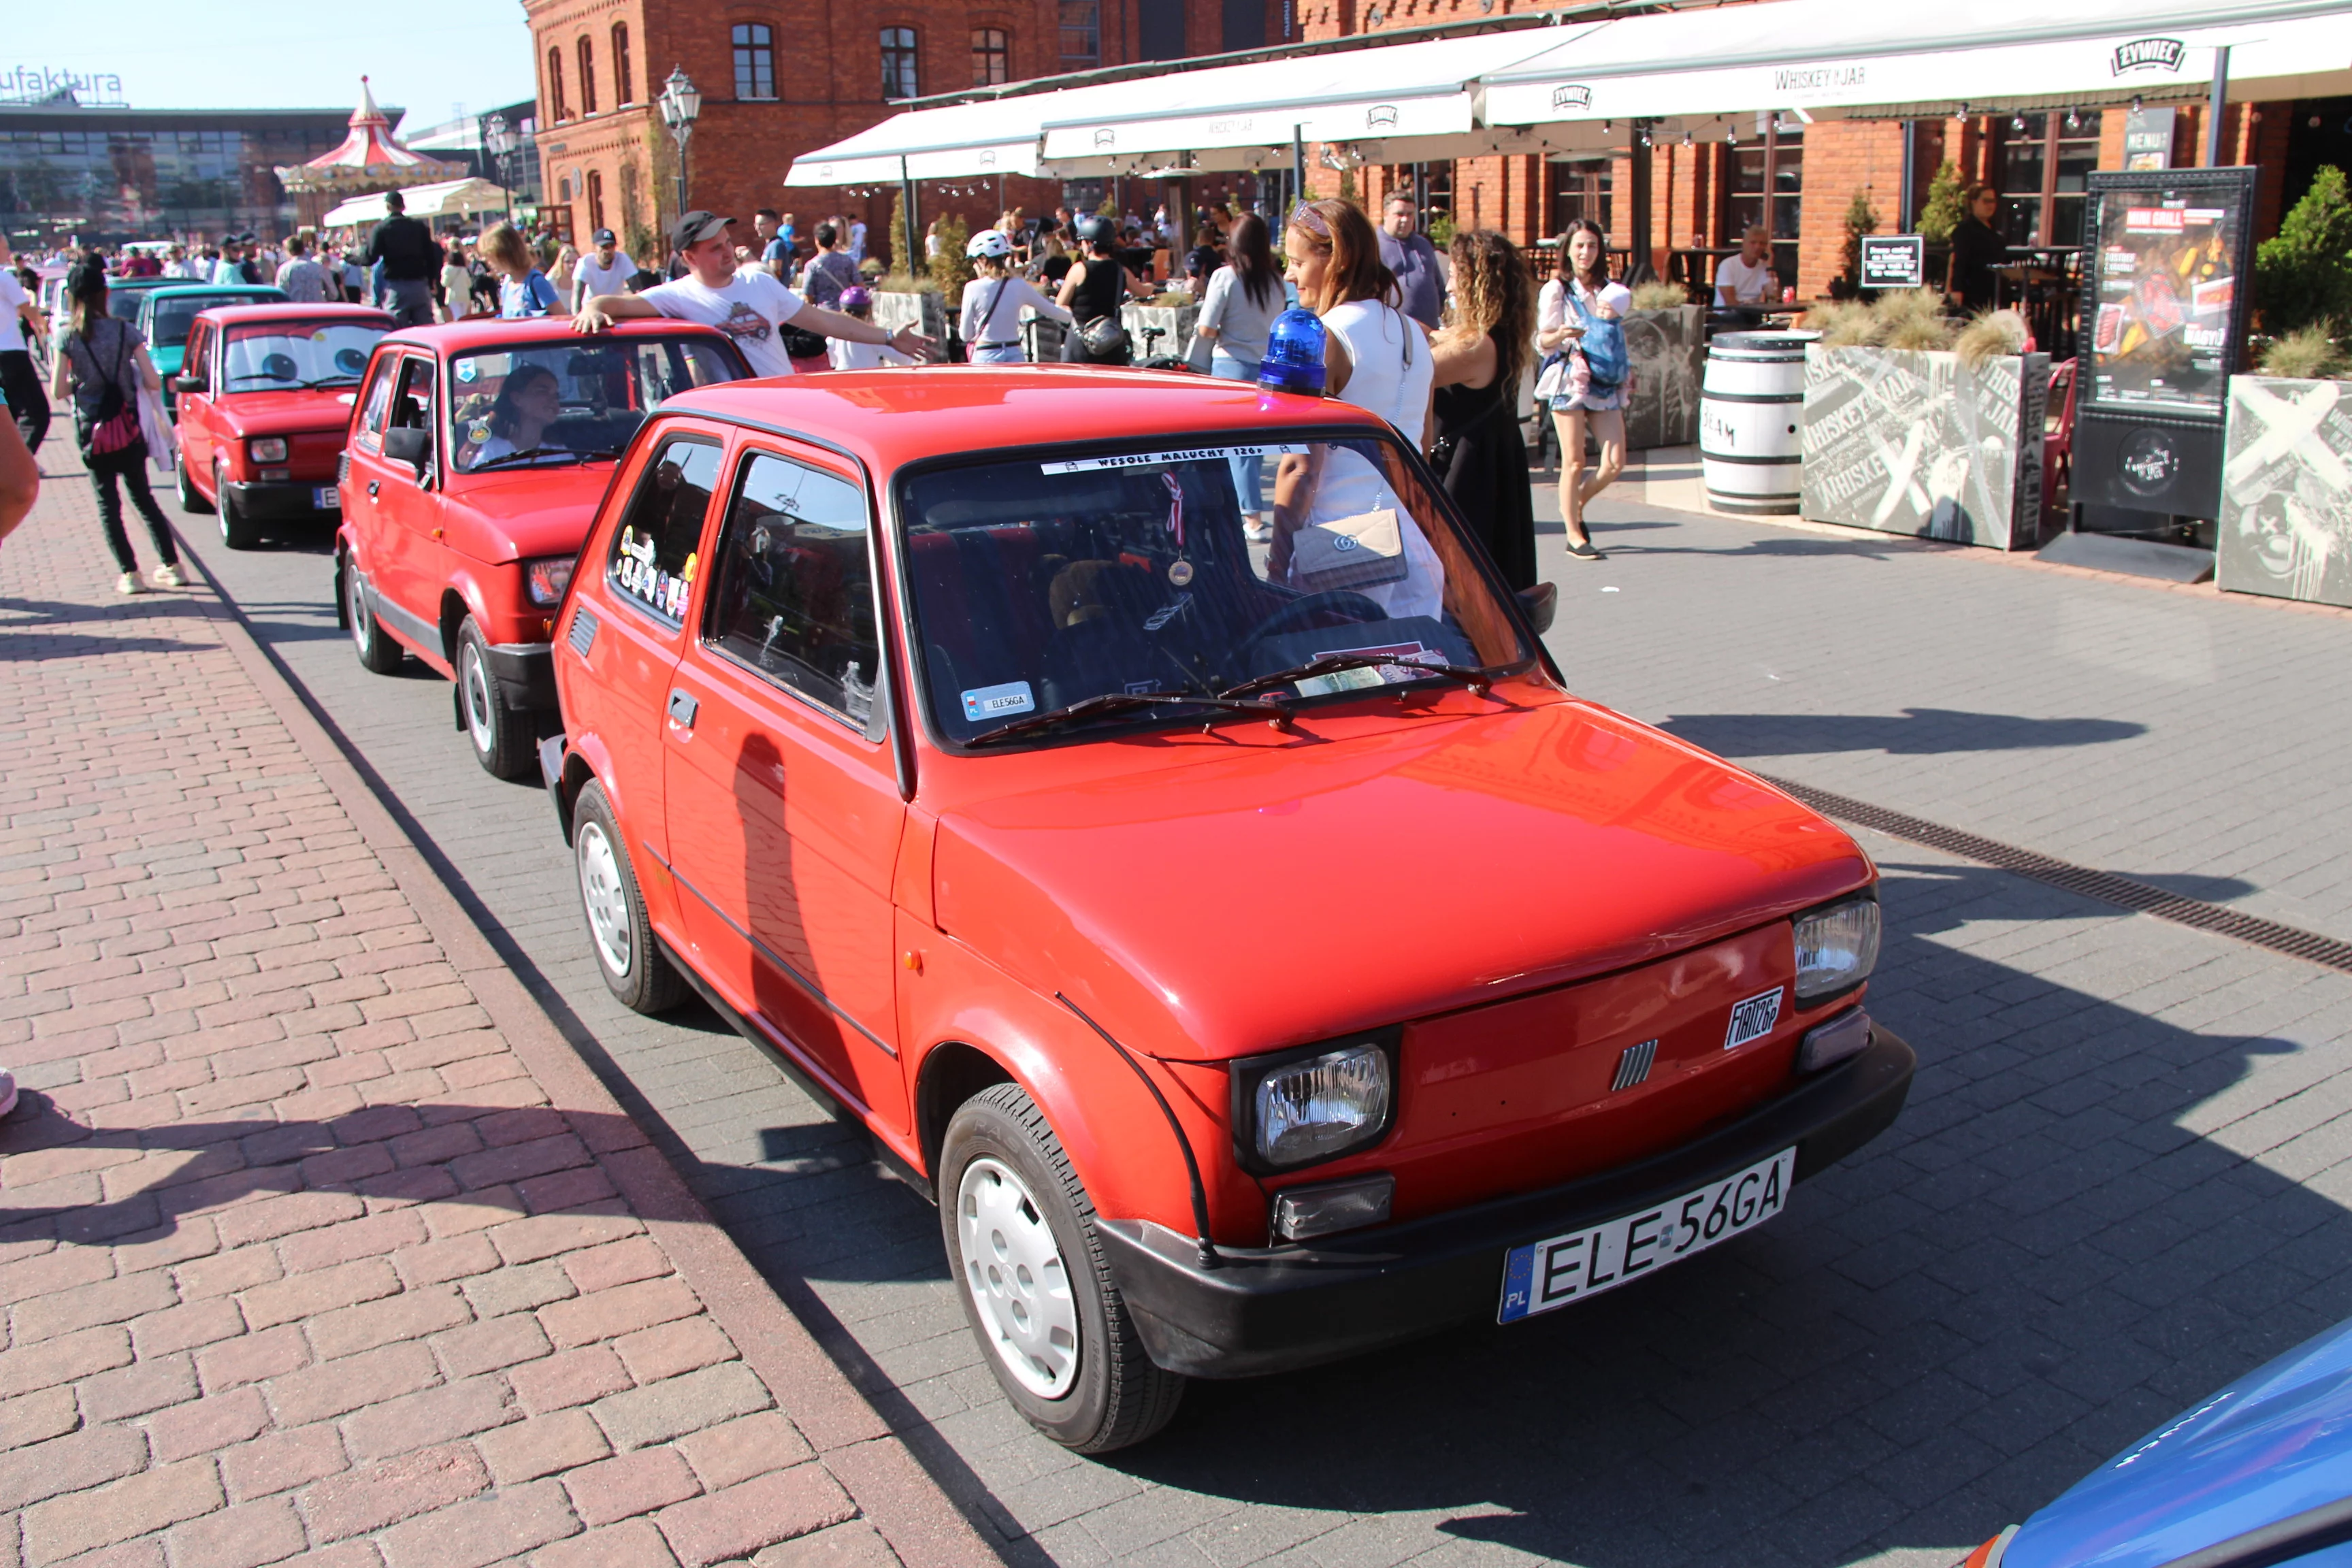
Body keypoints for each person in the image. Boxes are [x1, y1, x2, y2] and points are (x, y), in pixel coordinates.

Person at [1269, 197, 1446, 622]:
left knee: (1332, 681)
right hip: (1411, 545)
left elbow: (1300, 466)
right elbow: (1420, 450)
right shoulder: (1415, 333)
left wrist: (1276, 563)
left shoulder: (1321, 337)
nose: (1289, 274)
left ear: (1336, 261)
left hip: (1340, 547)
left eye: (1297, 262)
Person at [574, 210, 934, 378]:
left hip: (784, 403)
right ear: (689, 257)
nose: (728, 251)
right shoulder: (676, 296)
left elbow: (822, 320)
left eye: (727, 243)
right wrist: (592, 306)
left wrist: (888, 338)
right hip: (738, 420)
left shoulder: (758, 282)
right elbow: (616, 304)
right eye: (715, 248)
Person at [47, 259, 180, 595]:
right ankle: (172, 566)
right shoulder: (124, 330)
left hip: (93, 431)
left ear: (73, 297)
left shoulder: (68, 336)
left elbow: (58, 391)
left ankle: (130, 573)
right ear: (104, 294)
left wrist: (82, 381)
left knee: (108, 505)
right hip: (129, 426)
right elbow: (152, 381)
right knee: (143, 498)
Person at [1429, 228, 1539, 590]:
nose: (1448, 288)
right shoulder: (1499, 336)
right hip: (1491, 467)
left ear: (1478, 284)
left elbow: (1413, 371)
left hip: (1469, 473)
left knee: (1464, 580)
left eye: (1455, 276)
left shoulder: (1477, 347)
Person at [1539, 219, 1631, 561]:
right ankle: (1574, 534)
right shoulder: (1557, 290)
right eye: (1579, 246)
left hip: (1605, 381)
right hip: (1571, 380)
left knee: (1615, 462)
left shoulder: (1611, 290)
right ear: (1568, 250)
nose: (1585, 253)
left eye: (1592, 246)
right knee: (1574, 461)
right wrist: (1561, 334)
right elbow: (1541, 341)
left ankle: (1574, 505)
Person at [1195, 213, 1286, 537]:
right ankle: (1248, 513)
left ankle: (1249, 515)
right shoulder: (1276, 281)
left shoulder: (1225, 277)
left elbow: (1207, 327)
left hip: (1230, 367)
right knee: (1253, 447)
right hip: (1267, 368)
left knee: (1231, 446)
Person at [960, 230, 1071, 364]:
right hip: (1014, 353)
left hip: (985, 354)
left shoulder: (972, 288)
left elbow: (965, 335)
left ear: (983, 260)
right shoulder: (1018, 285)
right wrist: (1075, 317)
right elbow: (1052, 311)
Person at [1055, 217, 1148, 364]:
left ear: (1090, 243)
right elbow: (1143, 292)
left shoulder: (1079, 269)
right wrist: (1155, 288)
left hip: (1081, 344)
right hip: (1111, 343)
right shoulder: (1120, 270)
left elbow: (1061, 303)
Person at [457, 362, 564, 469]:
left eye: (556, 395)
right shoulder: (490, 452)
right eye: (542, 392)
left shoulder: (560, 454)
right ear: (517, 399)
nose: (554, 400)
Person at [0, 244, 50, 455]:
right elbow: (27, 310)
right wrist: (43, 323)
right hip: (11, 352)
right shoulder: (4, 278)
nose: (8, 251)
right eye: (4, 246)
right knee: (37, 413)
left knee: (9, 415)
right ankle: (20, 461)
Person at [365, 190, 444, 327]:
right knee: (426, 328)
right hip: (420, 286)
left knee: (396, 328)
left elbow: (370, 258)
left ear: (388, 207)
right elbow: (431, 257)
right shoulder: (419, 227)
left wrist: (351, 258)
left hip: (397, 287)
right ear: (403, 207)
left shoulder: (381, 229)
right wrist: (432, 281)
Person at [1377, 193, 1445, 331]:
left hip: (1430, 330)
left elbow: (1438, 283)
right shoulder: (1375, 246)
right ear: (1385, 214)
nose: (1405, 219)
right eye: (1400, 214)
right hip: (1394, 332)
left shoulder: (1423, 245)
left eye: (1410, 214)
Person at [481, 223, 561, 318]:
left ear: (504, 254)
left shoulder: (536, 282)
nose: (487, 262)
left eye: (490, 256)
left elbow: (560, 319)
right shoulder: (507, 285)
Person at [1948, 182, 2006, 314]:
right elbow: (1959, 261)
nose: (1991, 206)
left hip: (1994, 292)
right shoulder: (1964, 231)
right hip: (1973, 292)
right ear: (1974, 202)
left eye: (1993, 201)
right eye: (1986, 201)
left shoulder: (1994, 232)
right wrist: (1956, 290)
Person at [828, 287, 914, 369]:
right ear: (868, 311)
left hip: (843, 379)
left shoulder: (836, 333)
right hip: (868, 379)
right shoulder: (871, 334)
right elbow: (901, 359)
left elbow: (831, 357)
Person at [572, 229, 636, 313]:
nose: (608, 251)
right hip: (591, 311)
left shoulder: (623, 260)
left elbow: (637, 290)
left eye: (611, 246)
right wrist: (577, 317)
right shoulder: (585, 262)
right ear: (595, 248)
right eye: (604, 247)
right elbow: (577, 292)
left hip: (616, 311)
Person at [1714, 224, 1778, 308]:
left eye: (1762, 244)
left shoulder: (1764, 266)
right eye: (1753, 243)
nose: (1758, 247)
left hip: (1753, 316)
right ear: (1743, 244)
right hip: (1726, 317)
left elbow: (1773, 296)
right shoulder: (1728, 265)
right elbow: (1730, 303)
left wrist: (1770, 265)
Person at [800, 223, 860, 310]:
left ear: (817, 240)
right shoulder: (846, 261)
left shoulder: (812, 265)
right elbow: (859, 285)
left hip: (824, 314)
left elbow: (807, 295)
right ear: (835, 239)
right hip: (845, 311)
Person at [274, 235, 331, 304]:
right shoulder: (319, 267)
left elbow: (281, 294)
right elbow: (333, 293)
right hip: (318, 309)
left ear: (288, 251)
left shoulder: (285, 269)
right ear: (303, 249)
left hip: (296, 310)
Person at [440, 238, 476, 321]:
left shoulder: (447, 269)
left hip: (453, 296)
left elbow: (444, 283)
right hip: (465, 295)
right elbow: (469, 284)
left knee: (457, 317)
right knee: (464, 316)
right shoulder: (464, 269)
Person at [755, 210, 789, 280]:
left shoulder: (777, 245)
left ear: (773, 224)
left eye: (761, 224)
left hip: (775, 291)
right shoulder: (770, 244)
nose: (757, 228)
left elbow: (775, 276)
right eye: (756, 224)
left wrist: (750, 260)